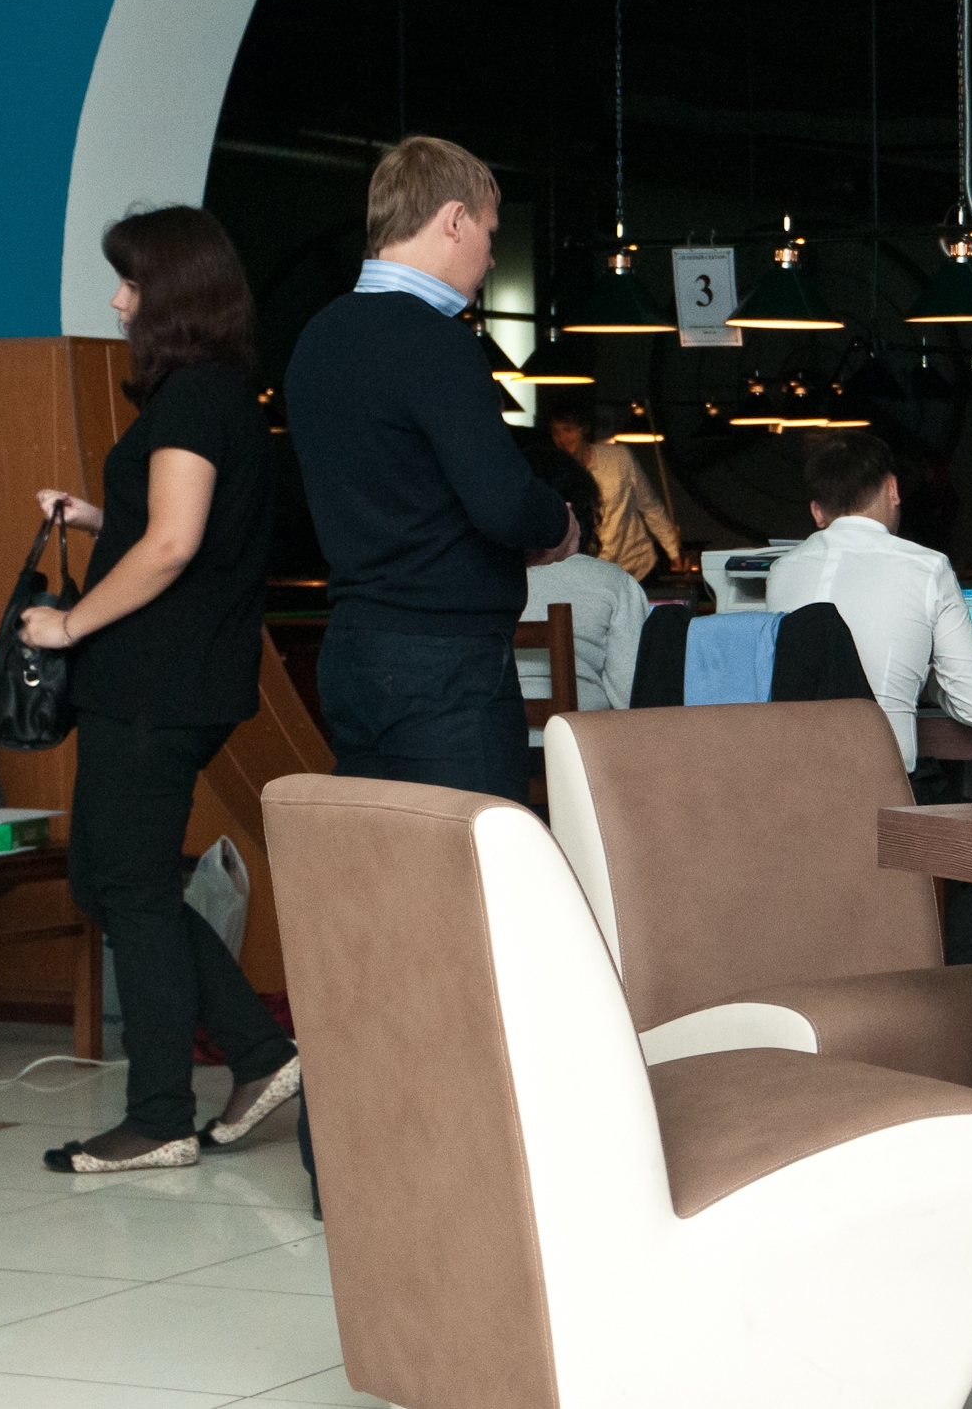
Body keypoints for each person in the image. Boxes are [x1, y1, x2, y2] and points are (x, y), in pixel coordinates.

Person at [286, 136, 577, 1213]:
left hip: (355, 653)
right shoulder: (434, 343)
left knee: (374, 912)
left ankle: (343, 1157)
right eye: (489, 234)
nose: (490, 259)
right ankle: (456, 1161)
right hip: (444, 663)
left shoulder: (317, 340)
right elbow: (500, 501)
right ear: (451, 218)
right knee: (470, 911)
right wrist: (557, 522)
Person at [25, 207, 301, 1176]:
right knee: (111, 881)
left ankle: (159, 1117)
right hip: (178, 680)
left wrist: (68, 625)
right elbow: (183, 528)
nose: (118, 302)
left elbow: (176, 545)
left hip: (153, 682)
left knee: (130, 887)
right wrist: (97, 516)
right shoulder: (222, 396)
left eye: (132, 284)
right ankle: (259, 1053)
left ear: (174, 294)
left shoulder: (189, 402)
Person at [765, 429, 972, 776]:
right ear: (893, 489)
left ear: (817, 512)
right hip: (881, 784)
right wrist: (927, 678)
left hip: (791, 780)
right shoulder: (927, 567)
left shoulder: (782, 571)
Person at [518, 440, 648, 715]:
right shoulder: (612, 582)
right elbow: (631, 699)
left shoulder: (466, 582)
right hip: (580, 739)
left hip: (478, 736)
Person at [546, 401, 682, 581]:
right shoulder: (556, 474)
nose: (562, 438)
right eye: (556, 432)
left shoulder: (620, 458)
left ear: (584, 429)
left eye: (568, 430)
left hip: (638, 568)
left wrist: (674, 553)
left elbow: (650, 507)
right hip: (595, 574)